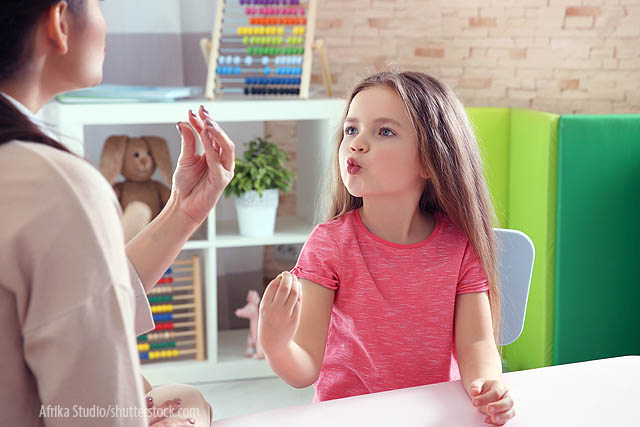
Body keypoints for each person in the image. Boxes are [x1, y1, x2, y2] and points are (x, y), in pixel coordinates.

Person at [0, 1, 235, 425]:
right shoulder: (58, 188)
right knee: (190, 405)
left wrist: (183, 211)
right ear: (58, 21)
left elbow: (74, 290)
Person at [258, 71, 516, 426]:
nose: (357, 143)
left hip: (431, 416)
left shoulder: (459, 247)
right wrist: (276, 343)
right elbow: (304, 369)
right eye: (351, 129)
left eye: (384, 131)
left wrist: (487, 384)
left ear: (430, 161)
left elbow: (476, 344)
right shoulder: (329, 245)